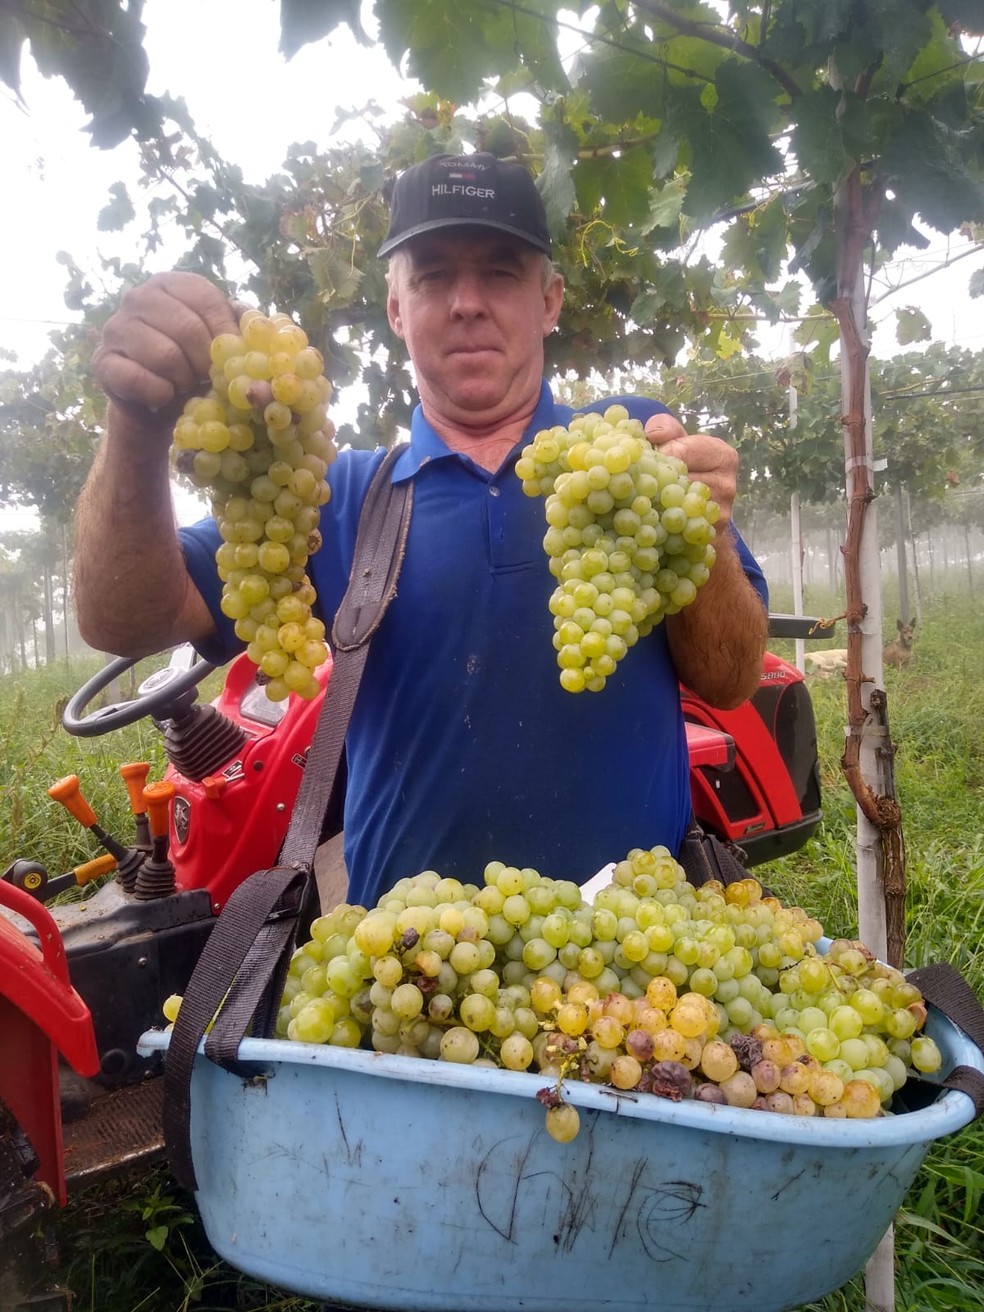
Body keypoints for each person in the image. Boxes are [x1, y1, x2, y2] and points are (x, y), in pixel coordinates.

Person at [75, 152, 769, 909]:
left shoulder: (633, 455)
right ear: (396, 309)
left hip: (633, 966)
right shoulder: (334, 498)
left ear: (550, 300)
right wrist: (137, 424)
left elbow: (731, 680)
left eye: (501, 272)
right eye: (433, 275)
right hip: (422, 974)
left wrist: (709, 531)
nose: (467, 301)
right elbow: (122, 618)